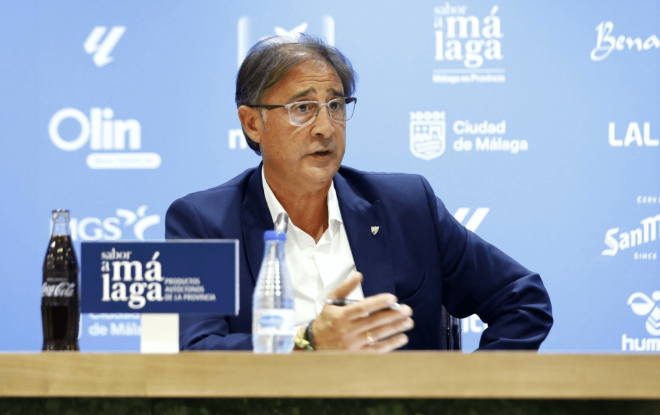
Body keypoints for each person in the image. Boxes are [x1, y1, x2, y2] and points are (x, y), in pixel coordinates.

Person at [165, 35, 553, 352]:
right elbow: (199, 349)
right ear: (252, 122)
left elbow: (522, 299)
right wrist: (307, 344)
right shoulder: (203, 222)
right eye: (303, 107)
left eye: (335, 105)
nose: (325, 128)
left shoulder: (407, 206)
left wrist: (467, 395)